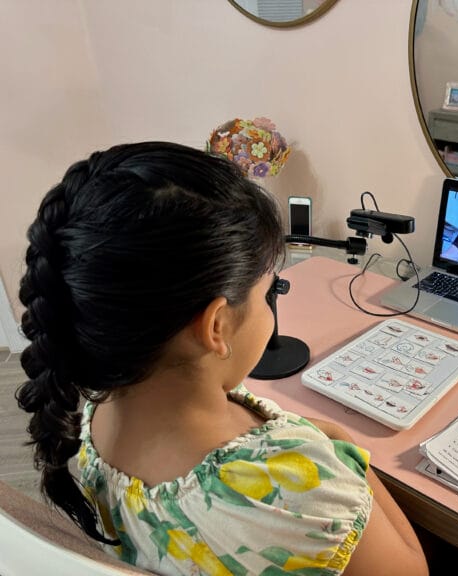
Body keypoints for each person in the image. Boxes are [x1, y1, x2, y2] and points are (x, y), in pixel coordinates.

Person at [15, 142, 428, 576]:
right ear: (215, 326)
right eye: (266, 292)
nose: (269, 309)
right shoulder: (299, 485)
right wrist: (346, 450)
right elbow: (413, 570)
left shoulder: (97, 413)